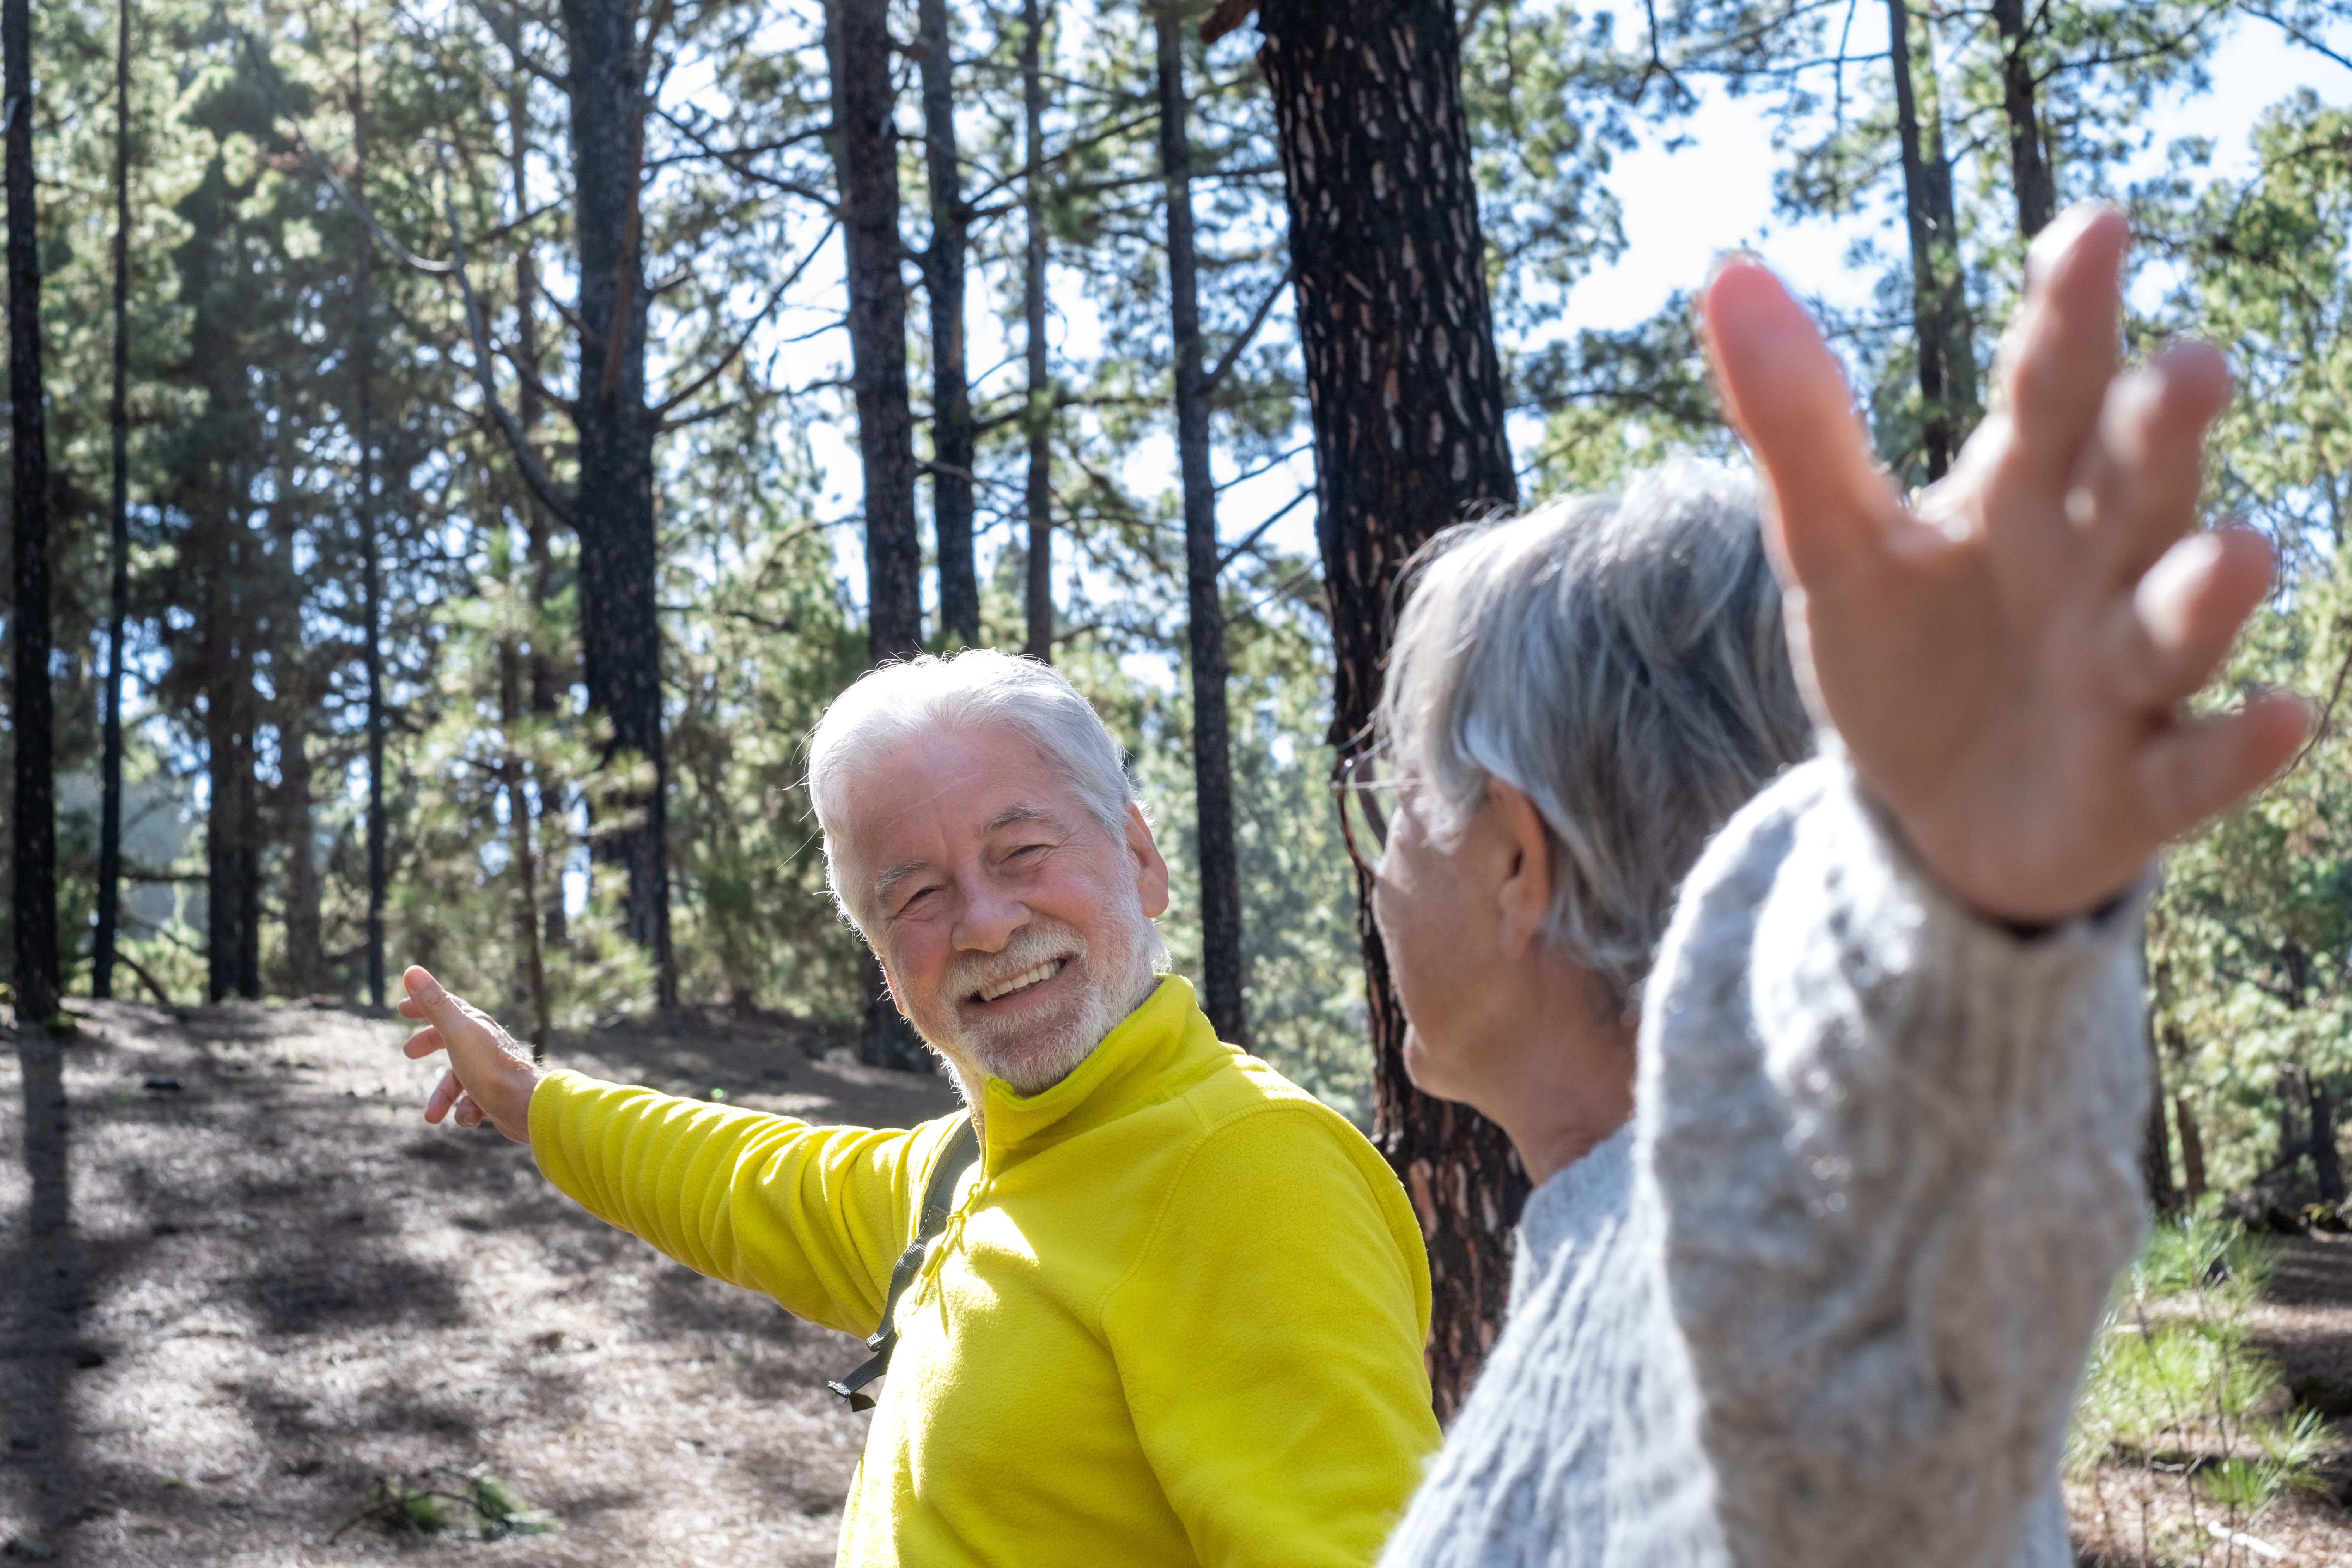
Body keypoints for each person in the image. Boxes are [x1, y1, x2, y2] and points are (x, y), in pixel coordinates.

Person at [1366, 205, 2308, 1566]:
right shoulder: (1626, 1232)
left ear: (1518, 856)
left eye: (1391, 807)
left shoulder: (1775, 1257)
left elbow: (1877, 1222)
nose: (1382, 872)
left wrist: (1956, 909)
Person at [394, 650, 1442, 1567]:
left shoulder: (1246, 1170)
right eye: (918, 896)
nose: (984, 924)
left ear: (1141, 857)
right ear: (887, 965)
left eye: (1022, 851)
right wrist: (529, 1097)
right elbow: (735, 1180)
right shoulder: (967, 1175)